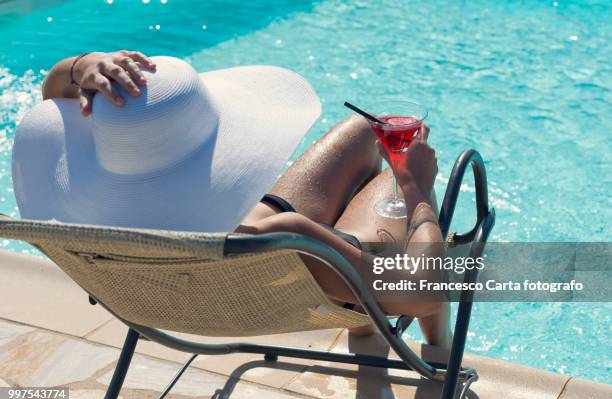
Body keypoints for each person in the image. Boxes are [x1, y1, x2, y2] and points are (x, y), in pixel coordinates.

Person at [37, 50, 451, 347]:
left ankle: (361, 318)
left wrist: (80, 66)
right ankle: (439, 347)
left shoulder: (91, 222)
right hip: (289, 253)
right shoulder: (285, 238)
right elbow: (419, 293)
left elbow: (54, 92)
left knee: (365, 129)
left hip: (221, 239)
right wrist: (416, 190)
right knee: (403, 171)